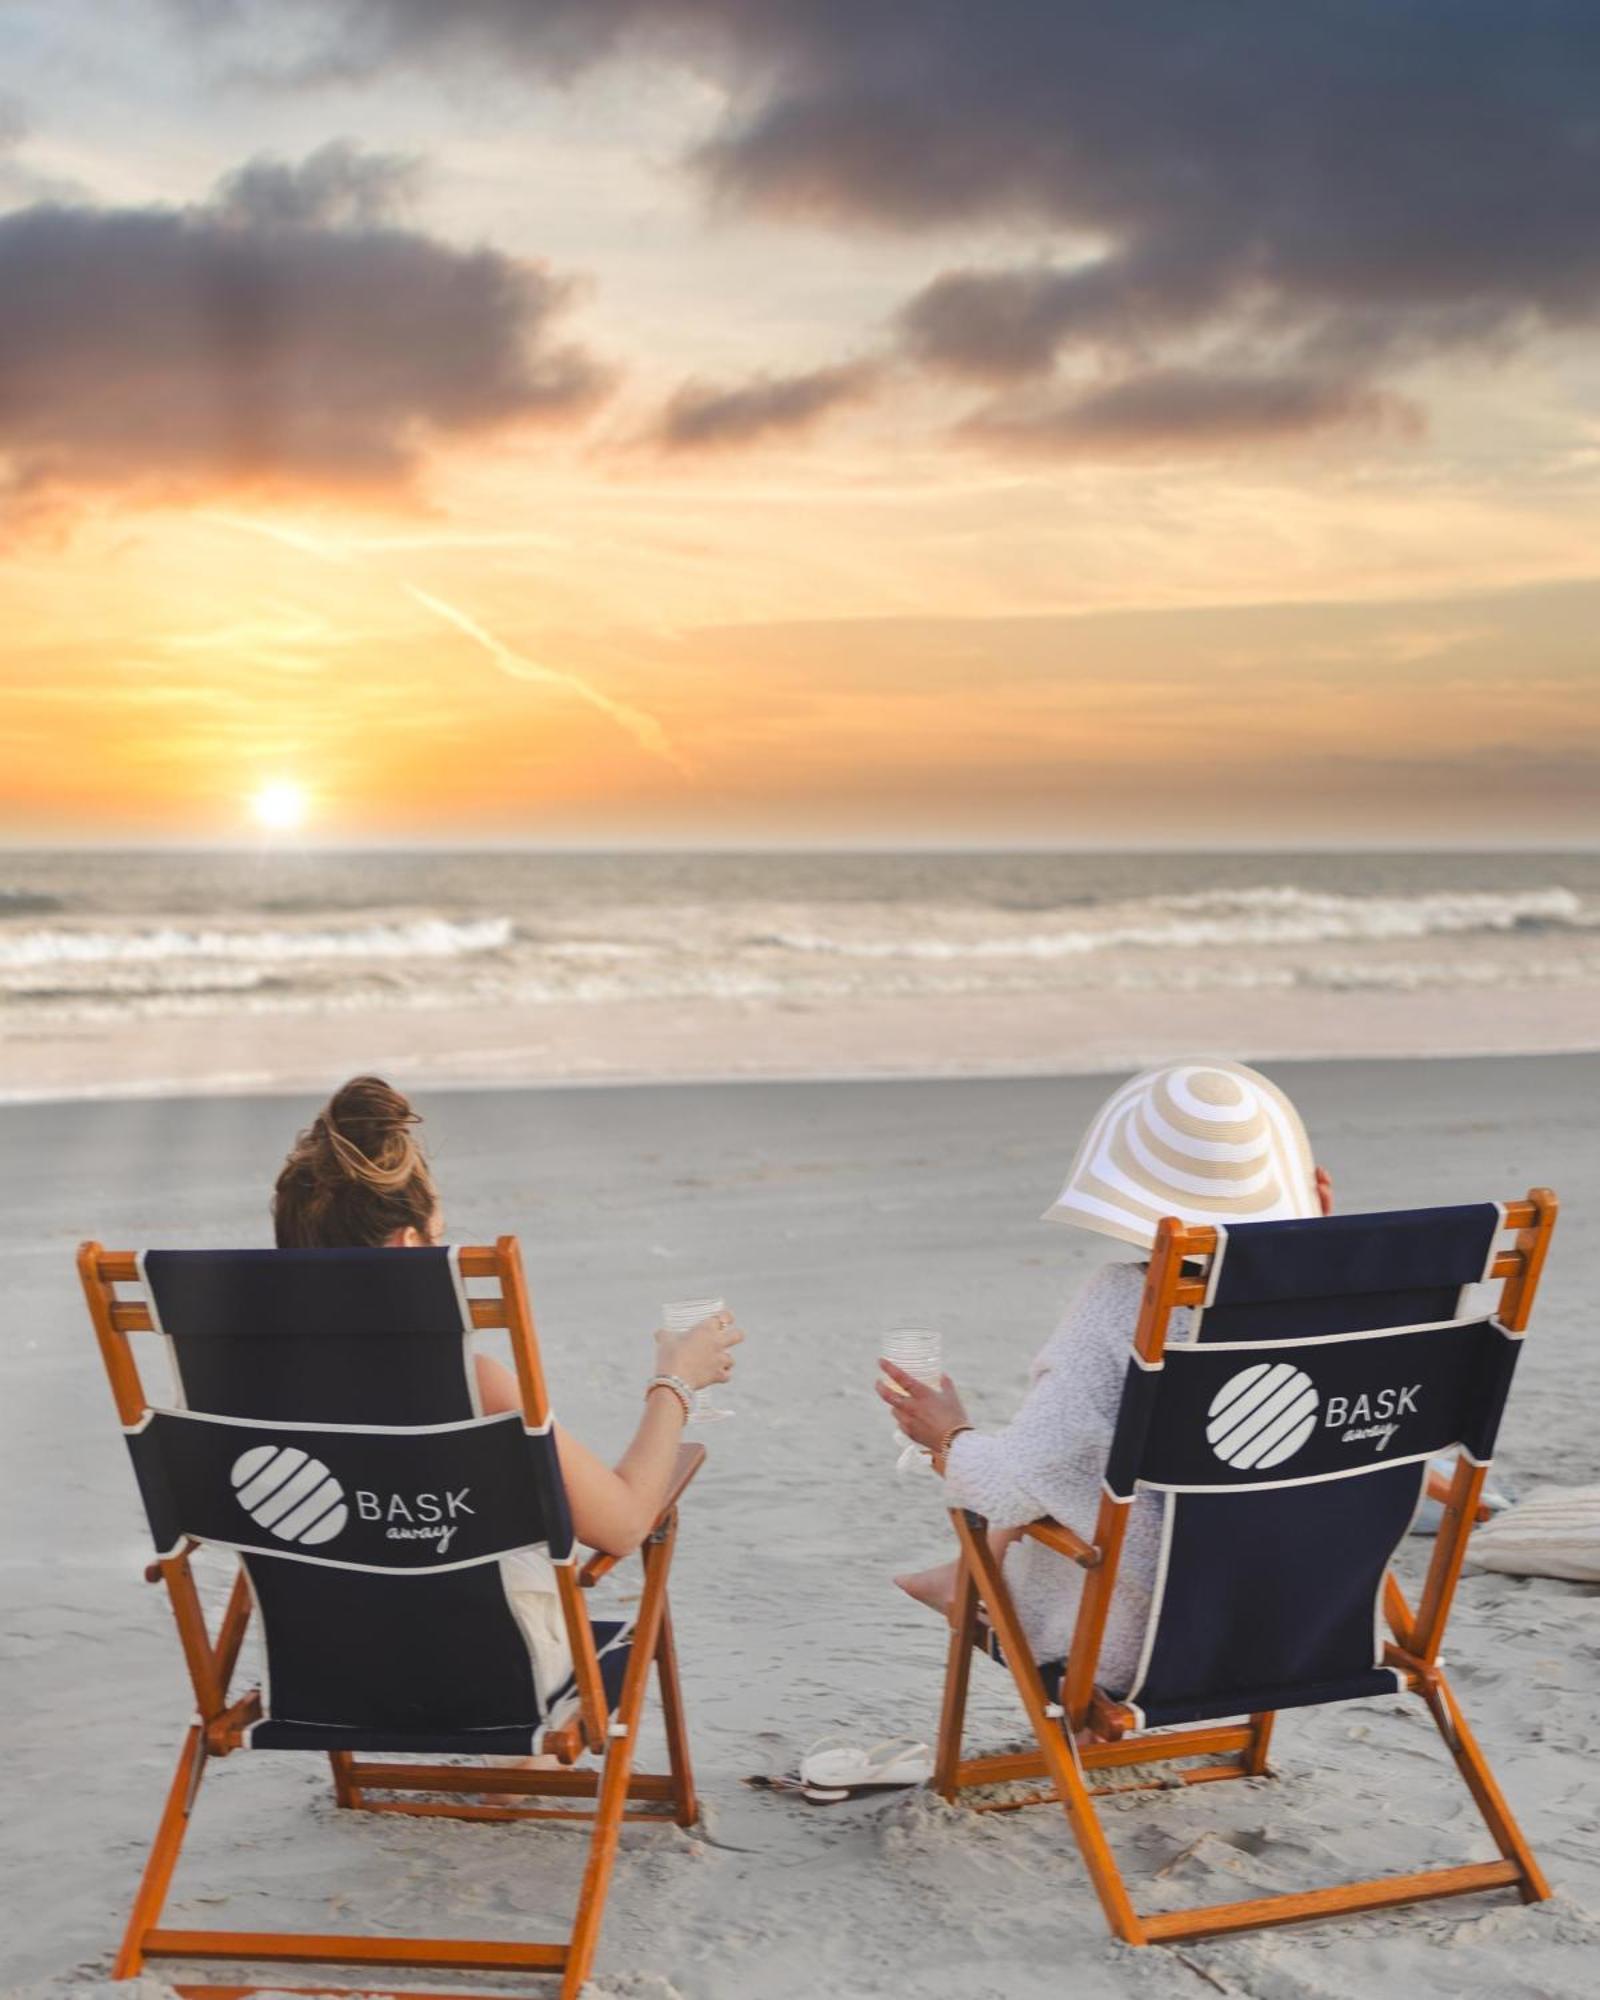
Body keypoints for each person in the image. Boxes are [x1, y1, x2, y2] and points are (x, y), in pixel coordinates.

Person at [272, 1074, 742, 1708]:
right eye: (439, 1236)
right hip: (489, 1673)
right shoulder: (470, 1386)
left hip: (326, 1673)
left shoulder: (255, 1392)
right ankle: (516, 1769)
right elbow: (625, 1526)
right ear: (411, 1248)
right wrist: (676, 1382)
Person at [879, 1059, 1332, 1696]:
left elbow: (1003, 1492)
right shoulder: (1370, 1315)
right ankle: (958, 1574)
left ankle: (966, 1577)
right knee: (1124, 1448)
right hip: (1310, 1628)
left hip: (1147, 1649)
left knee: (1060, 1463)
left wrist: (948, 1435)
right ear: (1320, 1192)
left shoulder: (1129, 1303)